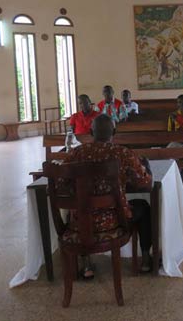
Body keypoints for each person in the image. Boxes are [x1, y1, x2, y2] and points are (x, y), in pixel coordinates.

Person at [62, 114, 153, 275]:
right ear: (114, 132)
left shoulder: (77, 153)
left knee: (79, 208)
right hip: (115, 220)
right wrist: (147, 168)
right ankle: (146, 259)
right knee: (143, 207)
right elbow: (144, 183)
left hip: (81, 222)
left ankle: (86, 264)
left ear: (91, 132)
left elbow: (61, 184)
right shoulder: (122, 153)